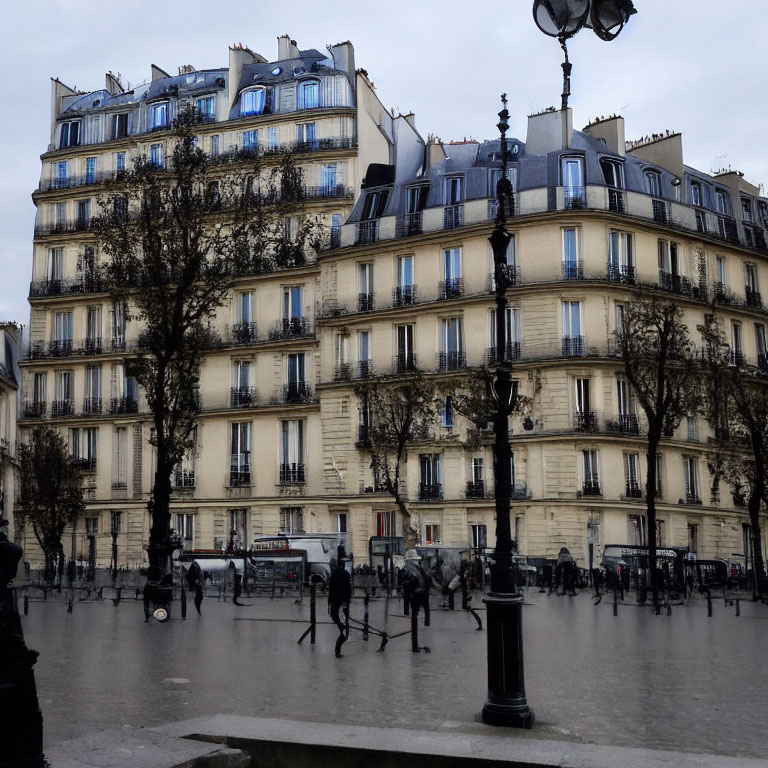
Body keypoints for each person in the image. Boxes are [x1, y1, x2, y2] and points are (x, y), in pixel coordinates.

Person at [402, 549, 431, 652]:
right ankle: (416, 645)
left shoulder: (410, 569)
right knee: (417, 621)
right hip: (420, 597)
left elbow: (407, 587)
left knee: (415, 621)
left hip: (416, 597)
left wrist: (406, 608)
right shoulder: (417, 569)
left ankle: (416, 645)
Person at [327, 545, 352, 657]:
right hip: (341, 602)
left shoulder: (335, 575)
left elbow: (331, 591)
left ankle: (338, 650)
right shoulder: (344, 574)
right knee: (344, 629)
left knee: (341, 624)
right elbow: (347, 590)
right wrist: (347, 601)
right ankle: (337, 650)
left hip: (336, 602)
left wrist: (330, 603)